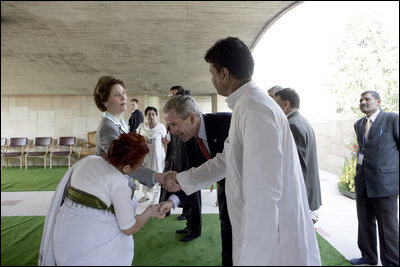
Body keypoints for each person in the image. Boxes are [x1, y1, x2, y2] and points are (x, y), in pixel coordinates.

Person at [161, 37, 321, 265]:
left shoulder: (255, 109)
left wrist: (252, 255)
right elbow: (225, 161)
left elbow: (264, 191)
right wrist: (181, 179)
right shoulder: (246, 105)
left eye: (212, 74)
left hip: (268, 239)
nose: (212, 80)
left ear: (224, 74)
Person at [38, 133, 166, 266]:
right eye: (140, 164)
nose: (141, 166)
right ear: (127, 167)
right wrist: (150, 211)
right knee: (123, 244)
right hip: (90, 251)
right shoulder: (118, 182)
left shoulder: (88, 160)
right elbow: (128, 228)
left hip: (63, 240)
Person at [159, 95, 233, 263]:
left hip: (248, 195)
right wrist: (172, 201)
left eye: (174, 124)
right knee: (228, 239)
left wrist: (177, 178)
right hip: (225, 194)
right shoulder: (188, 138)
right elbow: (194, 178)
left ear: (191, 117)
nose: (171, 131)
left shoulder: (227, 123)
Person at [92, 76, 177, 191]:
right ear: (104, 101)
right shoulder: (107, 128)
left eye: (123, 93)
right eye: (116, 95)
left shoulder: (120, 122)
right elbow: (124, 164)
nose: (124, 97)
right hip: (110, 187)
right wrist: (159, 177)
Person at [349, 91, 399, 266]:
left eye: (367, 99)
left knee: (388, 228)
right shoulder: (359, 124)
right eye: (360, 99)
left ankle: (392, 262)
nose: (363, 102)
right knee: (364, 222)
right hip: (363, 183)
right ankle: (368, 256)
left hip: (385, 185)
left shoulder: (393, 119)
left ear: (378, 101)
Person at [273, 88, 322, 222]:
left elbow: (297, 166)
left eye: (275, 104)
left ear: (286, 104)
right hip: (306, 192)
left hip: (300, 195)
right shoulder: (302, 121)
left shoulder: (292, 125)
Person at [159, 85, 192, 221]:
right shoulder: (172, 118)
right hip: (174, 156)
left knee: (191, 190)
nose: (171, 97)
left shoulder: (185, 114)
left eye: (174, 94)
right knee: (175, 183)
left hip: (186, 159)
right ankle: (175, 209)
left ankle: (192, 225)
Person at [136, 106, 167, 205]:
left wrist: (166, 155)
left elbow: (165, 142)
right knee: (144, 173)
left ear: (156, 116)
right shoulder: (141, 127)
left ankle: (155, 198)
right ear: (145, 116)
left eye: (153, 114)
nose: (151, 116)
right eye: (149, 114)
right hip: (145, 155)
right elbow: (138, 140)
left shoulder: (161, 127)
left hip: (157, 156)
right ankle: (145, 195)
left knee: (156, 174)